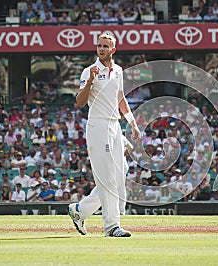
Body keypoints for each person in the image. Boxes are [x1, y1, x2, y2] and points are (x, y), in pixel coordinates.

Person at [68, 33, 141, 237]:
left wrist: (133, 124)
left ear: (113, 49)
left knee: (119, 174)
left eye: (105, 46)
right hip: (98, 126)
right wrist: (90, 80)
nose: (101, 49)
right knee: (108, 177)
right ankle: (112, 227)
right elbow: (80, 102)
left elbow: (121, 99)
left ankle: (80, 210)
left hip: (114, 125)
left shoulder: (118, 71)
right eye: (99, 46)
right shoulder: (88, 71)